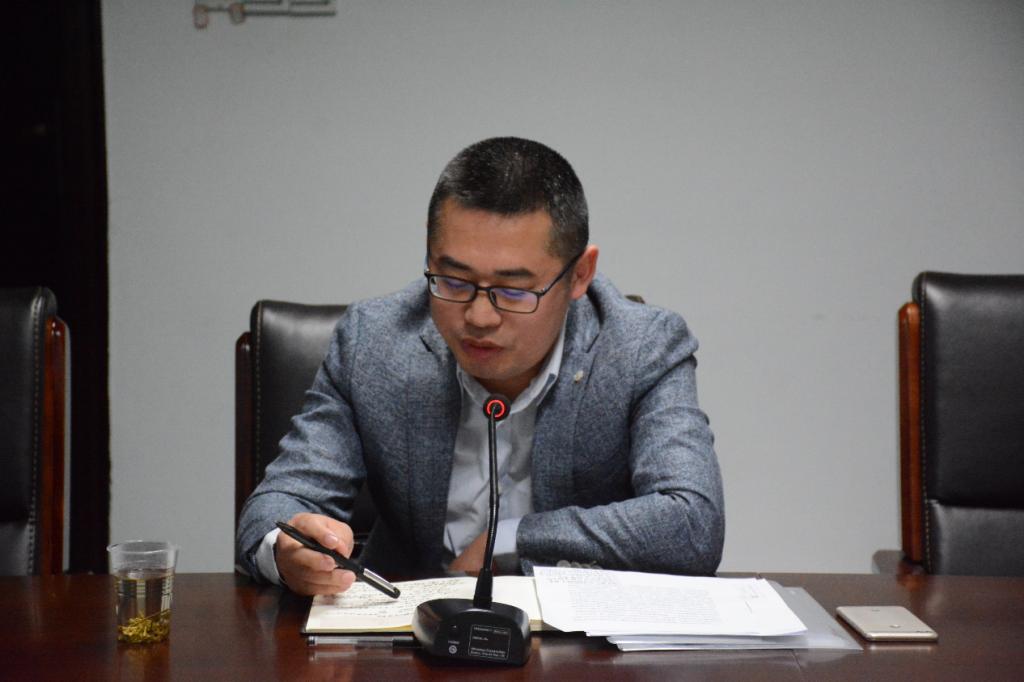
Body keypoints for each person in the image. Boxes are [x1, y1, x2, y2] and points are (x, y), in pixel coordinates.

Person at [236, 137, 724, 596]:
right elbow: (275, 506)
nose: (479, 317)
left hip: (574, 641)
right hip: (405, 628)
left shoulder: (641, 348)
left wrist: (513, 539)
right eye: (453, 281)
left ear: (580, 274)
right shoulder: (374, 342)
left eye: (514, 290)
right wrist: (286, 550)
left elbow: (692, 524)